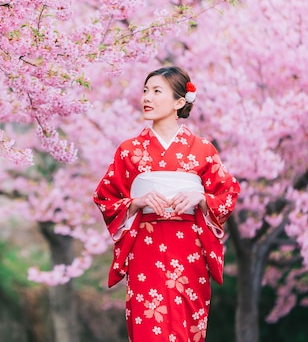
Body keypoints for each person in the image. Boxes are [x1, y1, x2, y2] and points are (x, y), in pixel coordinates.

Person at [93, 66, 240, 342]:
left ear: (180, 101)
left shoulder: (203, 149)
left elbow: (228, 192)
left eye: (156, 91)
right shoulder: (128, 150)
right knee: (149, 323)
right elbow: (105, 196)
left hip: (189, 250)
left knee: (187, 323)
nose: (147, 97)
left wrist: (202, 199)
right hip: (145, 250)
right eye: (145, 90)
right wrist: (136, 203)